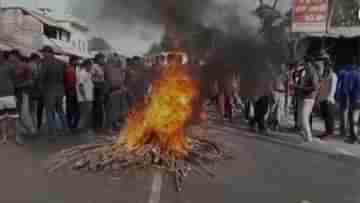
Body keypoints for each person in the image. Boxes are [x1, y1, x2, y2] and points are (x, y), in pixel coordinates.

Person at [39, 46, 67, 138]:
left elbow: (42, 76)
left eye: (44, 53)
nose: (43, 54)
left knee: (50, 112)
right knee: (60, 111)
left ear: (48, 52)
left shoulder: (46, 63)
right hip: (60, 90)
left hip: (49, 90)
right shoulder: (61, 63)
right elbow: (64, 77)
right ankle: (65, 129)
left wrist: (40, 88)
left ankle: (52, 133)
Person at [294, 59, 320, 142]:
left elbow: (315, 87)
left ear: (310, 63)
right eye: (304, 64)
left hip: (308, 98)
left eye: (305, 64)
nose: (304, 65)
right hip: (302, 97)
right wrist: (297, 85)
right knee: (300, 119)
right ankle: (304, 135)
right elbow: (299, 82)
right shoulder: (304, 72)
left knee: (304, 117)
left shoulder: (313, 73)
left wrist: (302, 88)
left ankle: (308, 137)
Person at [0, 50, 21, 144]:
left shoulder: (10, 66)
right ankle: (4, 137)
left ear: (3, 56)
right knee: (2, 118)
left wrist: (15, 94)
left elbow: (15, 80)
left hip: (9, 95)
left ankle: (17, 137)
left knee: (14, 118)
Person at [104, 54, 127, 135]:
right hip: (112, 92)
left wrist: (123, 87)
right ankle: (109, 128)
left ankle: (115, 125)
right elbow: (111, 81)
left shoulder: (119, 69)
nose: (119, 62)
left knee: (117, 111)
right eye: (117, 60)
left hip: (119, 92)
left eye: (119, 61)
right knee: (111, 111)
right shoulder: (108, 68)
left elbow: (121, 81)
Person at [15, 53, 36, 137]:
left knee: (24, 113)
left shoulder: (26, 67)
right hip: (22, 93)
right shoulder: (23, 67)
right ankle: (27, 130)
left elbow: (30, 82)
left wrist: (18, 85)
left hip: (24, 93)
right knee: (21, 113)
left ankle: (32, 131)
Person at [318, 61, 337, 140]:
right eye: (326, 66)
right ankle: (326, 132)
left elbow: (333, 88)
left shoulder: (333, 75)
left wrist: (329, 98)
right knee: (325, 117)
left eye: (328, 66)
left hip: (329, 100)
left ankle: (330, 133)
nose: (326, 67)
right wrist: (319, 98)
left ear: (331, 67)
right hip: (322, 98)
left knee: (330, 118)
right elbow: (321, 87)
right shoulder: (325, 75)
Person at [336, 64, 355, 138]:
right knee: (346, 114)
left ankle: (343, 131)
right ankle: (345, 131)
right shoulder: (349, 75)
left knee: (343, 114)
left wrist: (337, 95)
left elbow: (339, 86)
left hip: (344, 96)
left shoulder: (343, 74)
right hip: (348, 97)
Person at [77, 59, 94, 134]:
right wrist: (85, 98)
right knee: (84, 114)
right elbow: (80, 86)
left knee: (86, 114)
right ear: (87, 65)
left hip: (88, 98)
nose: (91, 67)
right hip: (84, 99)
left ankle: (82, 129)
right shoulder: (82, 73)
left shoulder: (88, 73)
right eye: (91, 65)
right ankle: (81, 129)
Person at [28, 53, 43, 133]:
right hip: (33, 91)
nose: (39, 60)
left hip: (38, 91)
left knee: (36, 109)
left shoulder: (39, 66)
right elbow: (31, 78)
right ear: (35, 59)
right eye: (38, 59)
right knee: (34, 110)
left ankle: (37, 126)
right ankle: (35, 126)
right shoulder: (30, 66)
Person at [92, 53, 107, 132]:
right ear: (98, 59)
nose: (103, 60)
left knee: (100, 107)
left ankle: (99, 125)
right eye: (102, 59)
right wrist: (98, 82)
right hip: (97, 88)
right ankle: (96, 125)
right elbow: (91, 77)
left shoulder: (101, 67)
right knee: (97, 107)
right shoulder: (94, 66)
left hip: (101, 87)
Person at [64, 56, 80, 132]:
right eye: (77, 61)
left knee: (71, 109)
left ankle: (71, 125)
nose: (78, 62)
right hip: (72, 91)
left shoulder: (71, 69)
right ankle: (71, 126)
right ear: (73, 61)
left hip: (70, 91)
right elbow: (70, 83)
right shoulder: (70, 70)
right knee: (73, 109)